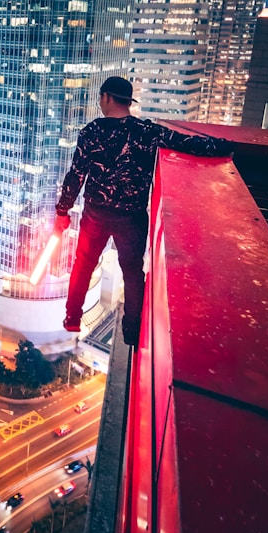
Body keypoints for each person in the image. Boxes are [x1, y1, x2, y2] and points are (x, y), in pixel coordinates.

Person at [55, 76, 232, 346]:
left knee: (83, 265)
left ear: (106, 98)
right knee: (132, 272)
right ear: (128, 102)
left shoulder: (91, 132)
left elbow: (76, 176)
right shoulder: (147, 132)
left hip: (96, 214)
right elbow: (187, 143)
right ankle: (132, 330)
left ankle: (72, 317)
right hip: (131, 217)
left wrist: (62, 212)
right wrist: (224, 146)